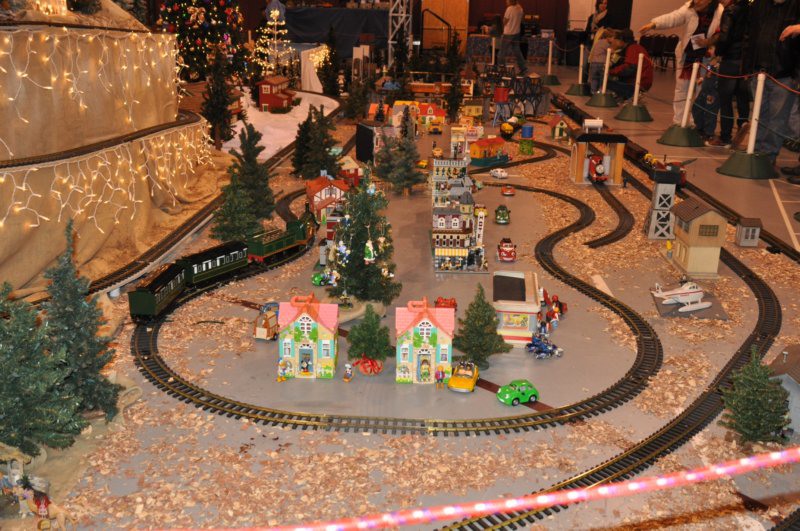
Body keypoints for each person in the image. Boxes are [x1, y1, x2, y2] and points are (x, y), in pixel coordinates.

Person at [640, 0, 725, 125]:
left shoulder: (720, 12)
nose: (697, 1)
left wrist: (709, 42)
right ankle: (678, 121)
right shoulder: (689, 8)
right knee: (681, 89)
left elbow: (722, 33)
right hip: (686, 56)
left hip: (706, 58)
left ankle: (696, 121)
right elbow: (673, 17)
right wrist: (654, 24)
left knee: (701, 90)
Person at [742, 0, 800, 179]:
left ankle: (768, 158)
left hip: (784, 74)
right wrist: (747, 67)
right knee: (758, 115)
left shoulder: (796, 5)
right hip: (758, 71)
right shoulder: (759, 5)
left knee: (778, 119)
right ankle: (755, 152)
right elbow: (749, 36)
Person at [705, 0, 751, 148]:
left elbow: (725, 36)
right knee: (742, 97)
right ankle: (742, 124)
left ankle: (725, 136)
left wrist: (718, 52)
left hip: (730, 59)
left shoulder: (730, 10)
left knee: (725, 100)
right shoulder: (751, 9)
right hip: (745, 60)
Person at [606, 29, 654, 101]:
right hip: (639, 82)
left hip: (638, 84)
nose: (613, 42)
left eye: (615, 39)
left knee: (604, 80)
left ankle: (628, 95)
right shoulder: (633, 47)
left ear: (620, 40)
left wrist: (610, 71)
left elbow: (629, 68)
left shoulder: (633, 48)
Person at [585, 0, 612, 92]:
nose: (603, 5)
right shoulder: (592, 17)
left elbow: (610, 31)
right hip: (590, 43)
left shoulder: (609, 17)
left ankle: (599, 90)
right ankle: (588, 87)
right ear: (598, 4)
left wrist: (600, 31)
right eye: (601, 3)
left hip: (601, 44)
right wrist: (592, 31)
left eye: (605, 3)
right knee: (586, 65)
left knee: (598, 72)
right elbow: (587, 30)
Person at [499, 0, 527, 75]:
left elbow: (504, 21)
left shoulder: (509, 9)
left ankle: (502, 69)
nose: (506, 1)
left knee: (502, 52)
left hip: (508, 33)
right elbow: (522, 20)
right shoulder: (520, 8)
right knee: (517, 51)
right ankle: (523, 68)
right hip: (516, 33)